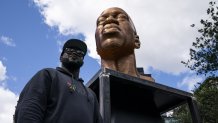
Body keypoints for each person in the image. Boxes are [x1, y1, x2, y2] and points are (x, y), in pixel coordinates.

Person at [14, 39, 102, 123]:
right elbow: (29, 110)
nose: (75, 53)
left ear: (83, 61)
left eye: (80, 53)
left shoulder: (91, 94)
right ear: (61, 57)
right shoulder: (48, 75)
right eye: (69, 50)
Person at [95, 7, 155, 82]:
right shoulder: (86, 92)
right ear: (96, 47)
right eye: (101, 21)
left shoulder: (154, 89)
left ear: (136, 41)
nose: (109, 20)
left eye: (121, 17)